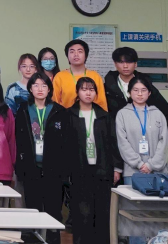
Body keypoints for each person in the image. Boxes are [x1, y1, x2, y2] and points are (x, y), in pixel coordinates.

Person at [65, 77, 121, 244]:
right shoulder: (69, 115)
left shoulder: (104, 116)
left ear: (96, 93)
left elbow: (113, 143)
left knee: (102, 213)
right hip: (78, 172)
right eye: (84, 89)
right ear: (77, 92)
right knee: (82, 214)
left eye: (91, 90)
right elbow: (64, 145)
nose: (88, 93)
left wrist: (117, 168)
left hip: (102, 171)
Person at [15, 71, 65, 244]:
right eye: (36, 85)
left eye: (44, 85)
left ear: (49, 89)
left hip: (54, 170)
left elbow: (66, 142)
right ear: (30, 89)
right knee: (33, 210)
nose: (40, 89)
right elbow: (18, 140)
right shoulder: (23, 110)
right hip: (31, 169)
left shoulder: (59, 111)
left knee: (53, 212)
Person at [105, 47, 168, 140]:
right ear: (115, 64)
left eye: (129, 62)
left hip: (145, 139)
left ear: (135, 64)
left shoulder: (147, 86)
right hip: (117, 141)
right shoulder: (107, 88)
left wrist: (162, 141)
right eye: (121, 62)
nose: (125, 66)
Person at [116, 74, 168, 185]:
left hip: (158, 172)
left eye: (143, 90)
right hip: (132, 172)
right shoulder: (122, 114)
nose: (139, 94)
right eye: (135, 90)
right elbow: (122, 143)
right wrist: (139, 164)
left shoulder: (158, 114)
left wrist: (151, 165)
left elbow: (164, 143)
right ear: (129, 92)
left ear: (149, 93)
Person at [53, 40, 107, 111]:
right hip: (66, 116)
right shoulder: (59, 77)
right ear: (67, 56)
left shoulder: (95, 76)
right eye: (72, 52)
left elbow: (102, 103)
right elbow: (55, 103)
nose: (76, 54)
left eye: (80, 51)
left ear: (86, 55)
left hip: (91, 116)